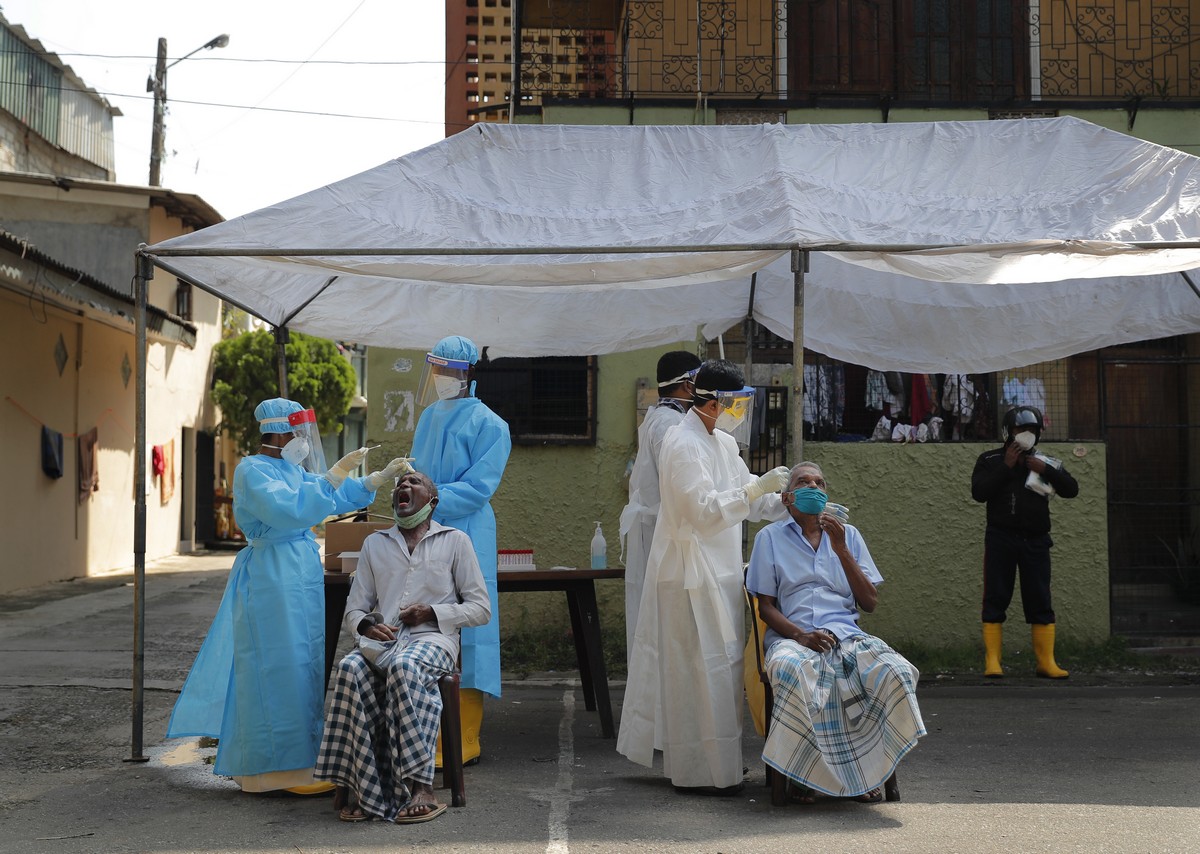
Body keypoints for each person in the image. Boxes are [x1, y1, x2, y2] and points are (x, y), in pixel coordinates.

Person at [167, 397, 411, 793]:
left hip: (299, 571)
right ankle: (270, 770)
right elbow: (293, 509)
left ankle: (302, 762)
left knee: (304, 664)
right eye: (296, 432)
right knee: (273, 667)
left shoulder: (288, 469)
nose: (302, 439)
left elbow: (327, 494)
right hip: (271, 576)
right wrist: (334, 476)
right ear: (278, 431)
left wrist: (373, 480)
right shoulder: (252, 471)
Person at [617, 358, 790, 795]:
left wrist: (786, 502)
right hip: (688, 577)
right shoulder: (681, 443)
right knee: (692, 674)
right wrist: (755, 489)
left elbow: (748, 500)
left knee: (723, 670)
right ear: (709, 402)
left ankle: (723, 769)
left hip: (722, 573)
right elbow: (704, 511)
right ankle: (696, 773)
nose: (739, 412)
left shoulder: (722, 444)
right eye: (734, 403)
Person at [746, 462, 926, 803]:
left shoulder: (849, 535)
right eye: (803, 482)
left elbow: (869, 602)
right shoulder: (769, 538)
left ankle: (868, 770)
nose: (813, 487)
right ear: (787, 498)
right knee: (790, 669)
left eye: (819, 483)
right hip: (792, 636)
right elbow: (766, 607)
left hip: (846, 634)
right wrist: (800, 637)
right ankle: (801, 774)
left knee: (895, 671)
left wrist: (841, 548)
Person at [316, 471, 491, 822]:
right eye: (399, 484)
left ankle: (420, 785)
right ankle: (366, 788)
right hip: (384, 644)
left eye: (414, 482)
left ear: (433, 501)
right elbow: (355, 608)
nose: (403, 487)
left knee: (405, 667)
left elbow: (481, 609)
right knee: (349, 669)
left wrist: (433, 612)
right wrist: (366, 624)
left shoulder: (455, 541)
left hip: (433, 641)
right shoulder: (375, 544)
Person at [410, 335, 511, 764]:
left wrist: (427, 496)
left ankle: (464, 735)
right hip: (423, 529)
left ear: (468, 373)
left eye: (449, 370)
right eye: (436, 369)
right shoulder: (429, 416)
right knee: (423, 623)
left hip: (466, 530)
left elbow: (476, 489)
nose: (441, 378)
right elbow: (417, 470)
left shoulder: (492, 425)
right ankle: (424, 731)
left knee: (467, 626)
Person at [972, 405, 1079, 679]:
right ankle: (993, 662)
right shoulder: (990, 459)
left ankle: (1046, 662)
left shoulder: (1045, 461)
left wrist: (1046, 470)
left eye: (1032, 431)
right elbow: (979, 493)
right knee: (995, 597)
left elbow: (1071, 489)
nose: (1027, 435)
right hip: (1000, 539)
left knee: (1040, 598)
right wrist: (1006, 467)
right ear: (1009, 432)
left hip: (1036, 540)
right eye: (1022, 430)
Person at [618, 350, 702, 663]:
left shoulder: (665, 417)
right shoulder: (669, 424)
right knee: (665, 624)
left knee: (661, 621)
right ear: (687, 385)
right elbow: (682, 487)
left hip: (661, 532)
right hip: (663, 534)